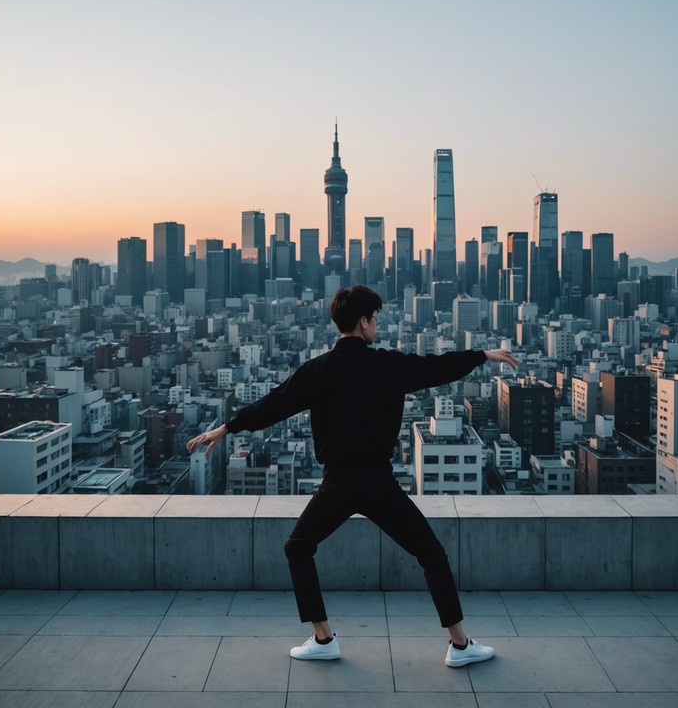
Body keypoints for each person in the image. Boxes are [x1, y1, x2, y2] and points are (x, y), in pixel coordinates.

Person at [187, 285, 519, 667]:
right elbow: (436, 368)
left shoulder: (317, 370)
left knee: (298, 548)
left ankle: (323, 637)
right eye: (374, 319)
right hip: (379, 484)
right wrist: (482, 355)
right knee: (431, 554)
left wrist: (226, 428)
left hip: (337, 485)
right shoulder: (388, 365)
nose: (376, 324)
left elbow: (273, 405)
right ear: (363, 322)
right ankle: (460, 645)